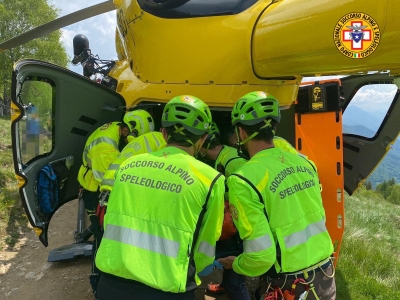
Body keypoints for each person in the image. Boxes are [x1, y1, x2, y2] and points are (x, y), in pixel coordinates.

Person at [95, 95, 225, 300]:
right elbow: (205, 246)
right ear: (202, 139)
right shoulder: (210, 179)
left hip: (111, 286)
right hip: (166, 291)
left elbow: (113, 221)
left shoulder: (128, 166)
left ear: (164, 133)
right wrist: (209, 272)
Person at [218, 91, 336, 300]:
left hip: (290, 286)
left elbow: (261, 257)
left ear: (242, 133)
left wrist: (234, 264)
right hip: (325, 276)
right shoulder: (304, 163)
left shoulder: (243, 180)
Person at [77, 109, 154, 299]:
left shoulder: (113, 130)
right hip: (95, 193)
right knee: (101, 237)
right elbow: (109, 181)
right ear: (131, 130)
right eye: (135, 136)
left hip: (96, 189)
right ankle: (97, 284)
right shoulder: (105, 146)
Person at [198, 122, 250, 300]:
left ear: (203, 148)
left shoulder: (232, 163)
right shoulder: (225, 155)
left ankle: (233, 288)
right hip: (236, 224)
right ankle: (227, 284)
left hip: (241, 226)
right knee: (231, 271)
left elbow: (247, 197)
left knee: (236, 282)